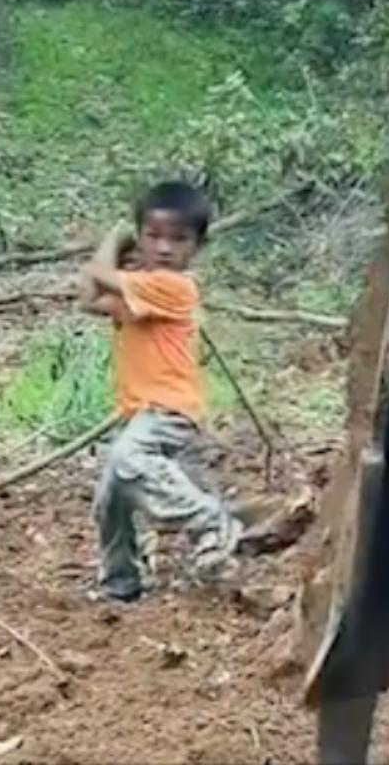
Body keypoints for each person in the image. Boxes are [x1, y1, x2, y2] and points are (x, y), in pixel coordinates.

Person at [77, 180, 239, 602]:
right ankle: (120, 581)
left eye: (178, 239)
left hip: (169, 409)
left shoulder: (176, 287)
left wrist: (114, 241)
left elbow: (96, 276)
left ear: (196, 247)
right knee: (110, 498)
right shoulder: (142, 290)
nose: (164, 249)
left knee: (128, 458)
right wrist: (121, 263)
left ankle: (211, 522)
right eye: (153, 237)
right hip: (140, 412)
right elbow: (87, 298)